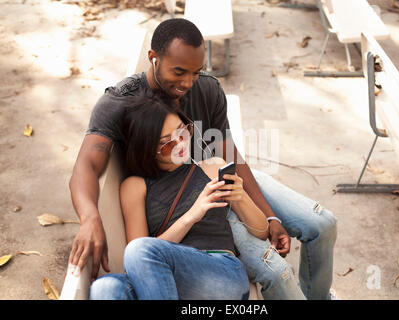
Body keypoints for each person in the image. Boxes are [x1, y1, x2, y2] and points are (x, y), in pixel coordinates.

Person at [69, 18, 337, 300]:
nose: (187, 82)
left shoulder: (206, 89)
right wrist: (89, 217)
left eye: (196, 72)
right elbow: (87, 163)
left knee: (321, 224)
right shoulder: (120, 102)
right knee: (271, 269)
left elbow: (229, 153)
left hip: (217, 176)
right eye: (179, 71)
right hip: (187, 203)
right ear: (153, 58)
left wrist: (267, 212)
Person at [90, 93, 270, 299]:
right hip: (161, 280)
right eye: (168, 144)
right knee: (105, 289)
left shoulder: (213, 168)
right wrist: (192, 215)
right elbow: (136, 259)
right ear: (147, 149)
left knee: (140, 250)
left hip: (221, 273)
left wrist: (241, 198)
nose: (181, 144)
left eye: (182, 132)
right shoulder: (135, 187)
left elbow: (261, 232)